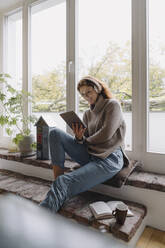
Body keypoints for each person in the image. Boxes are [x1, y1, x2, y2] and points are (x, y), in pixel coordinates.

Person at [40, 75, 129, 213]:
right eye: (82, 94)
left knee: (63, 182)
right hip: (91, 153)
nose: (86, 96)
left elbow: (106, 134)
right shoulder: (87, 113)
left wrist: (84, 140)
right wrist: (79, 137)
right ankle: (59, 184)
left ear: (97, 89)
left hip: (109, 158)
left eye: (88, 92)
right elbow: (84, 140)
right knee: (55, 133)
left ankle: (40, 217)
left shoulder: (112, 105)